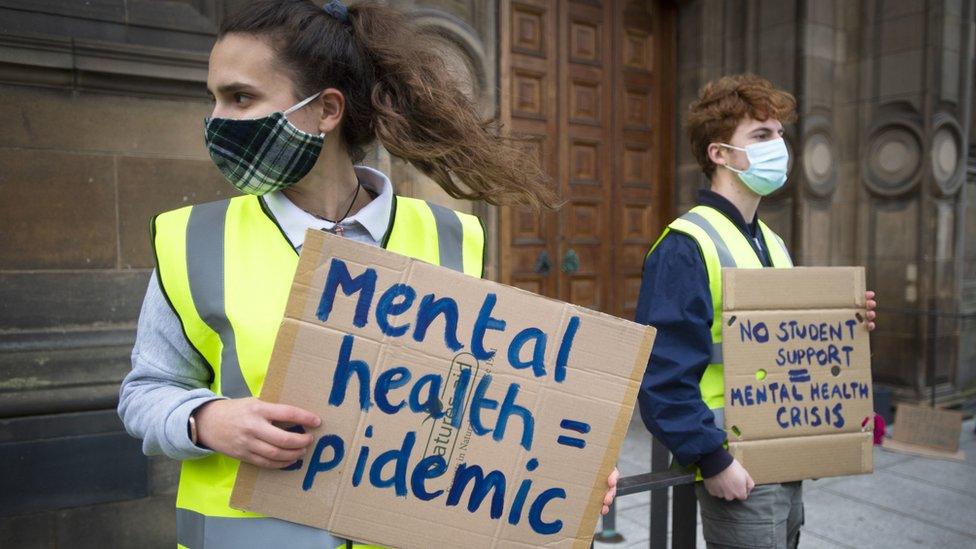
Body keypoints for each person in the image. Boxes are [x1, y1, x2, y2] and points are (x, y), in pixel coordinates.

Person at [117, 1, 618, 547]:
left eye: (240, 97)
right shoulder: (193, 239)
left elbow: (479, 403)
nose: (216, 121)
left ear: (326, 110)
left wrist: (564, 467)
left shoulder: (452, 237)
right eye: (212, 99)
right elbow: (146, 390)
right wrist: (207, 420)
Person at [635, 74, 878, 549]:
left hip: (782, 453)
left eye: (779, 135)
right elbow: (661, 376)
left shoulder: (772, 242)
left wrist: (845, 326)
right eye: (761, 136)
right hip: (735, 460)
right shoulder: (686, 244)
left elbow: (789, 345)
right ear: (719, 154)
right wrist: (712, 459)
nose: (779, 147)